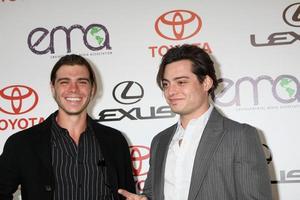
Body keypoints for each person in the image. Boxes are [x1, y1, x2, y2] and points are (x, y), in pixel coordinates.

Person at [118, 44, 272, 200]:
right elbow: (152, 193)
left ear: (206, 83)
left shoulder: (239, 136)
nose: (170, 91)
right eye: (166, 84)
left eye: (181, 82)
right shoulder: (160, 141)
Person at [0, 54, 135, 200]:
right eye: (64, 82)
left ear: (93, 88)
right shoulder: (22, 143)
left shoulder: (115, 141)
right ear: (53, 88)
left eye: (82, 82)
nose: (73, 89)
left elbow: (129, 195)